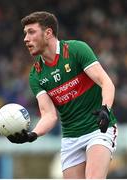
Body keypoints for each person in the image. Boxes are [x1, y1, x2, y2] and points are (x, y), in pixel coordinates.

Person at [7, 11, 118, 179]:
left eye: (31, 32)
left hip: (98, 129)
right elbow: (49, 115)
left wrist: (105, 109)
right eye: (25, 34)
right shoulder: (36, 75)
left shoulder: (76, 50)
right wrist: (32, 134)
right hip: (70, 137)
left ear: (48, 33)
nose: (25, 39)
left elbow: (106, 82)